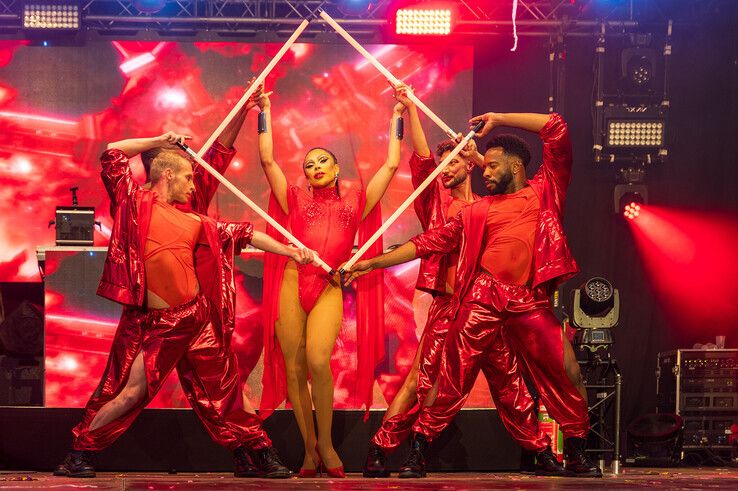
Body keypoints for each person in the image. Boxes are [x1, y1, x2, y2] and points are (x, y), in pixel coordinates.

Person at [346, 112, 602, 478]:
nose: (486, 171)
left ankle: (575, 452)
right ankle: (416, 450)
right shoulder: (476, 211)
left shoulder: (544, 191)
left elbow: (556, 127)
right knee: (448, 377)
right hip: (482, 298)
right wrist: (372, 263)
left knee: (567, 371)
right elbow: (427, 242)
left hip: (528, 300)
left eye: (492, 165)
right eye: (483, 166)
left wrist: (498, 119)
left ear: (515, 166)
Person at [54, 129, 315, 479]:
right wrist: (159, 141)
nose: (194, 186)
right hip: (156, 324)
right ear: (168, 174)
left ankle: (254, 451)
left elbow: (247, 233)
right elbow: (113, 152)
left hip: (195, 319)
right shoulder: (134, 204)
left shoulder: (196, 221)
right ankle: (79, 453)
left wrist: (293, 251)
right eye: (189, 177)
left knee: (227, 392)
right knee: (128, 393)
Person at [256, 89, 403, 477]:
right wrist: (264, 110)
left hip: (328, 285)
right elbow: (267, 159)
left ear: (336, 168)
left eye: (322, 161)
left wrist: (398, 115)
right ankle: (308, 451)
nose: (315, 167)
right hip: (293, 280)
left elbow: (390, 165)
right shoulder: (293, 199)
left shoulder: (356, 201)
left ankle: (326, 443)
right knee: (294, 368)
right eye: (308, 164)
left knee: (319, 361)